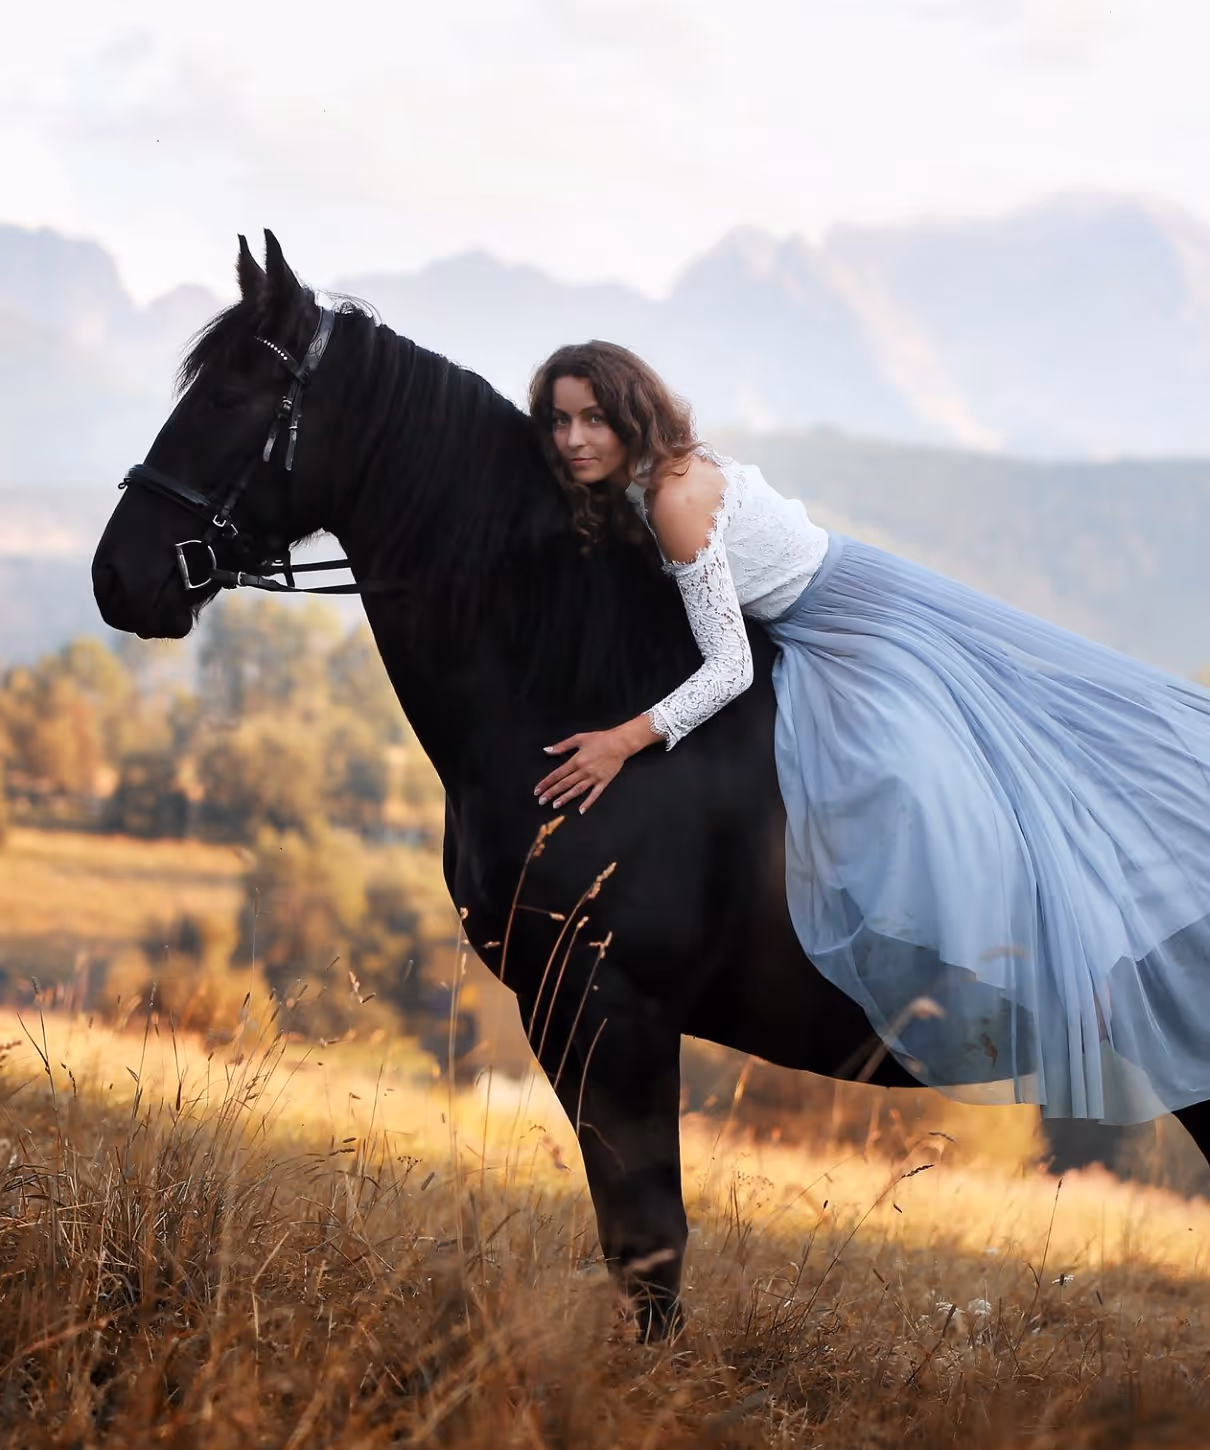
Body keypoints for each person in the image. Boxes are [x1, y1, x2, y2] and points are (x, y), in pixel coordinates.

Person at [527, 340, 1210, 1126]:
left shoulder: (675, 498)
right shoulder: (646, 476)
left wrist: (623, 739)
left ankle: (1055, 977)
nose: (574, 439)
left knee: (901, 786)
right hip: (840, 598)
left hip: (847, 625)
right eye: (559, 422)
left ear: (631, 415)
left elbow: (730, 668)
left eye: (594, 419)